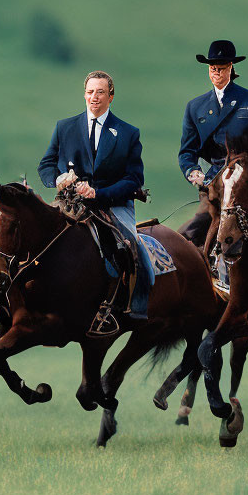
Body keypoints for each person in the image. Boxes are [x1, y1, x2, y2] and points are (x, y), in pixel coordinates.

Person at [38, 70, 154, 320]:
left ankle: (135, 305)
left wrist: (98, 193)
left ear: (111, 97)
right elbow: (46, 164)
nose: (94, 97)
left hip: (113, 205)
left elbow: (134, 179)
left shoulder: (128, 133)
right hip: (69, 203)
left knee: (132, 248)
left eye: (100, 92)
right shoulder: (64, 127)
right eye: (90, 92)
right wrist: (57, 179)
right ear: (84, 95)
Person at [177, 40, 248, 246]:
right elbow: (187, 152)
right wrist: (192, 172)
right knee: (194, 229)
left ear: (231, 68)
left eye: (221, 68)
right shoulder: (195, 107)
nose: (216, 72)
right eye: (212, 68)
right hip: (215, 181)